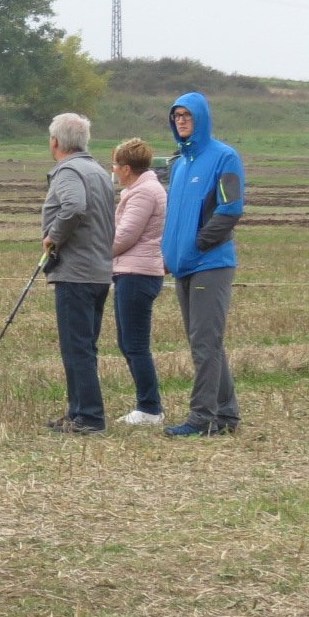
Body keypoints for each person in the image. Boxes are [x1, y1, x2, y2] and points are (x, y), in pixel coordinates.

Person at [163, 93, 245, 437]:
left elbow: (230, 210)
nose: (181, 120)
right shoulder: (179, 164)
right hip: (183, 265)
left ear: (202, 118)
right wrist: (172, 251)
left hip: (210, 263)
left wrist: (197, 245)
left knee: (204, 342)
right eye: (176, 116)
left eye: (187, 115)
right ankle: (226, 414)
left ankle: (202, 418)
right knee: (206, 340)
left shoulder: (225, 157)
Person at [41, 112, 116, 435]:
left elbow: (73, 207)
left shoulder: (69, 171)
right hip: (98, 270)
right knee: (84, 345)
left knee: (76, 347)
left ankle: (89, 416)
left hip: (76, 273)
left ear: (55, 142)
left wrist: (53, 236)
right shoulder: (98, 171)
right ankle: (77, 411)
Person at [110, 137, 167, 426]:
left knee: (135, 345)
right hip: (131, 272)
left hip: (137, 274)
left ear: (128, 168)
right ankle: (149, 404)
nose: (114, 169)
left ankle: (150, 408)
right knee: (127, 342)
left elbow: (124, 237)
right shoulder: (141, 189)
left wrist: (95, 253)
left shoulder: (143, 194)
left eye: (116, 164)